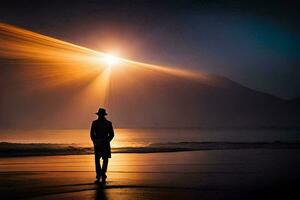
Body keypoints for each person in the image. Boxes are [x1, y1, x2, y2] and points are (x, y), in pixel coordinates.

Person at [90, 108, 114, 183]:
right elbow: (112, 134)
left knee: (98, 159)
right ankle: (103, 173)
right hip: (105, 142)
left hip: (98, 142)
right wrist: (107, 140)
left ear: (99, 115)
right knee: (105, 159)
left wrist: (95, 141)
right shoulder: (108, 123)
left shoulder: (95, 123)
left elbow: (91, 134)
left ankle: (99, 174)